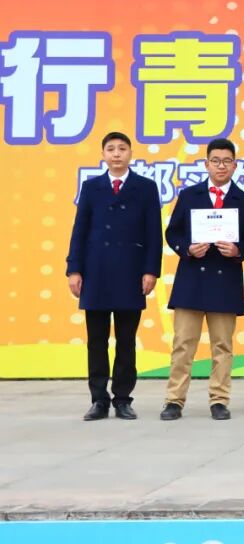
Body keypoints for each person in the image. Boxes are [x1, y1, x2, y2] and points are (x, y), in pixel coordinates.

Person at [66, 132, 162, 421]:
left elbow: (153, 233)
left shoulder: (145, 188)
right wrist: (74, 269)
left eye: (122, 148)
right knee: (96, 340)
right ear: (103, 154)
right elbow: (79, 230)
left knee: (126, 340)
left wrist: (150, 270)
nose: (116, 153)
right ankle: (99, 399)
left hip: (130, 272)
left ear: (130, 153)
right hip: (95, 272)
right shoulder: (91, 187)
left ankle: (122, 399)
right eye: (111, 149)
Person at [160, 138, 244, 421]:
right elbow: (172, 232)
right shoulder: (190, 195)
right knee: (183, 344)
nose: (221, 166)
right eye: (215, 161)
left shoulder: (243, 200)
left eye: (227, 161)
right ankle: (174, 400)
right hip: (191, 279)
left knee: (222, 346)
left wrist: (238, 251)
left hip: (225, 282)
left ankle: (219, 400)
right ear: (206, 164)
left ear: (235, 165)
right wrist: (187, 248)